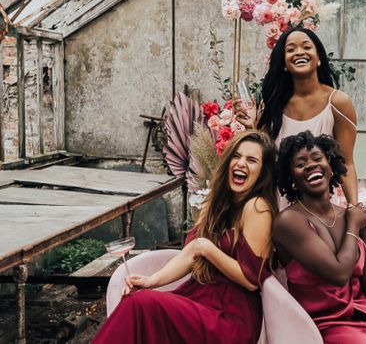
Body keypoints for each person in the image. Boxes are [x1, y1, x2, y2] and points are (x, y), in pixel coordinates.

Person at [93, 130, 277, 343]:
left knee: (140, 305)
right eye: (236, 156)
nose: (241, 163)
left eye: (252, 160)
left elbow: (251, 280)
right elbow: (190, 253)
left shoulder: (257, 207)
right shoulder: (220, 204)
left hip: (230, 317)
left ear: (263, 172)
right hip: (203, 299)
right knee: (136, 300)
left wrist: (207, 248)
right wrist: (151, 281)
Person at [273, 131, 366, 344]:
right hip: (325, 320)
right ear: (291, 179)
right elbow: (339, 274)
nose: (310, 165)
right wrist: (354, 224)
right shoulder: (289, 221)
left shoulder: (351, 215)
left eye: (318, 159)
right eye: (300, 164)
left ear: (330, 166)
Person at [254, 27, 359, 206]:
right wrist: (252, 128)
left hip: (320, 210)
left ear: (318, 58)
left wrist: (354, 208)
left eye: (306, 47)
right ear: (284, 63)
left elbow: (346, 163)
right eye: (291, 49)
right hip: (277, 209)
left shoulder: (338, 102)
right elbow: (265, 161)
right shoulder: (273, 106)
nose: (299, 52)